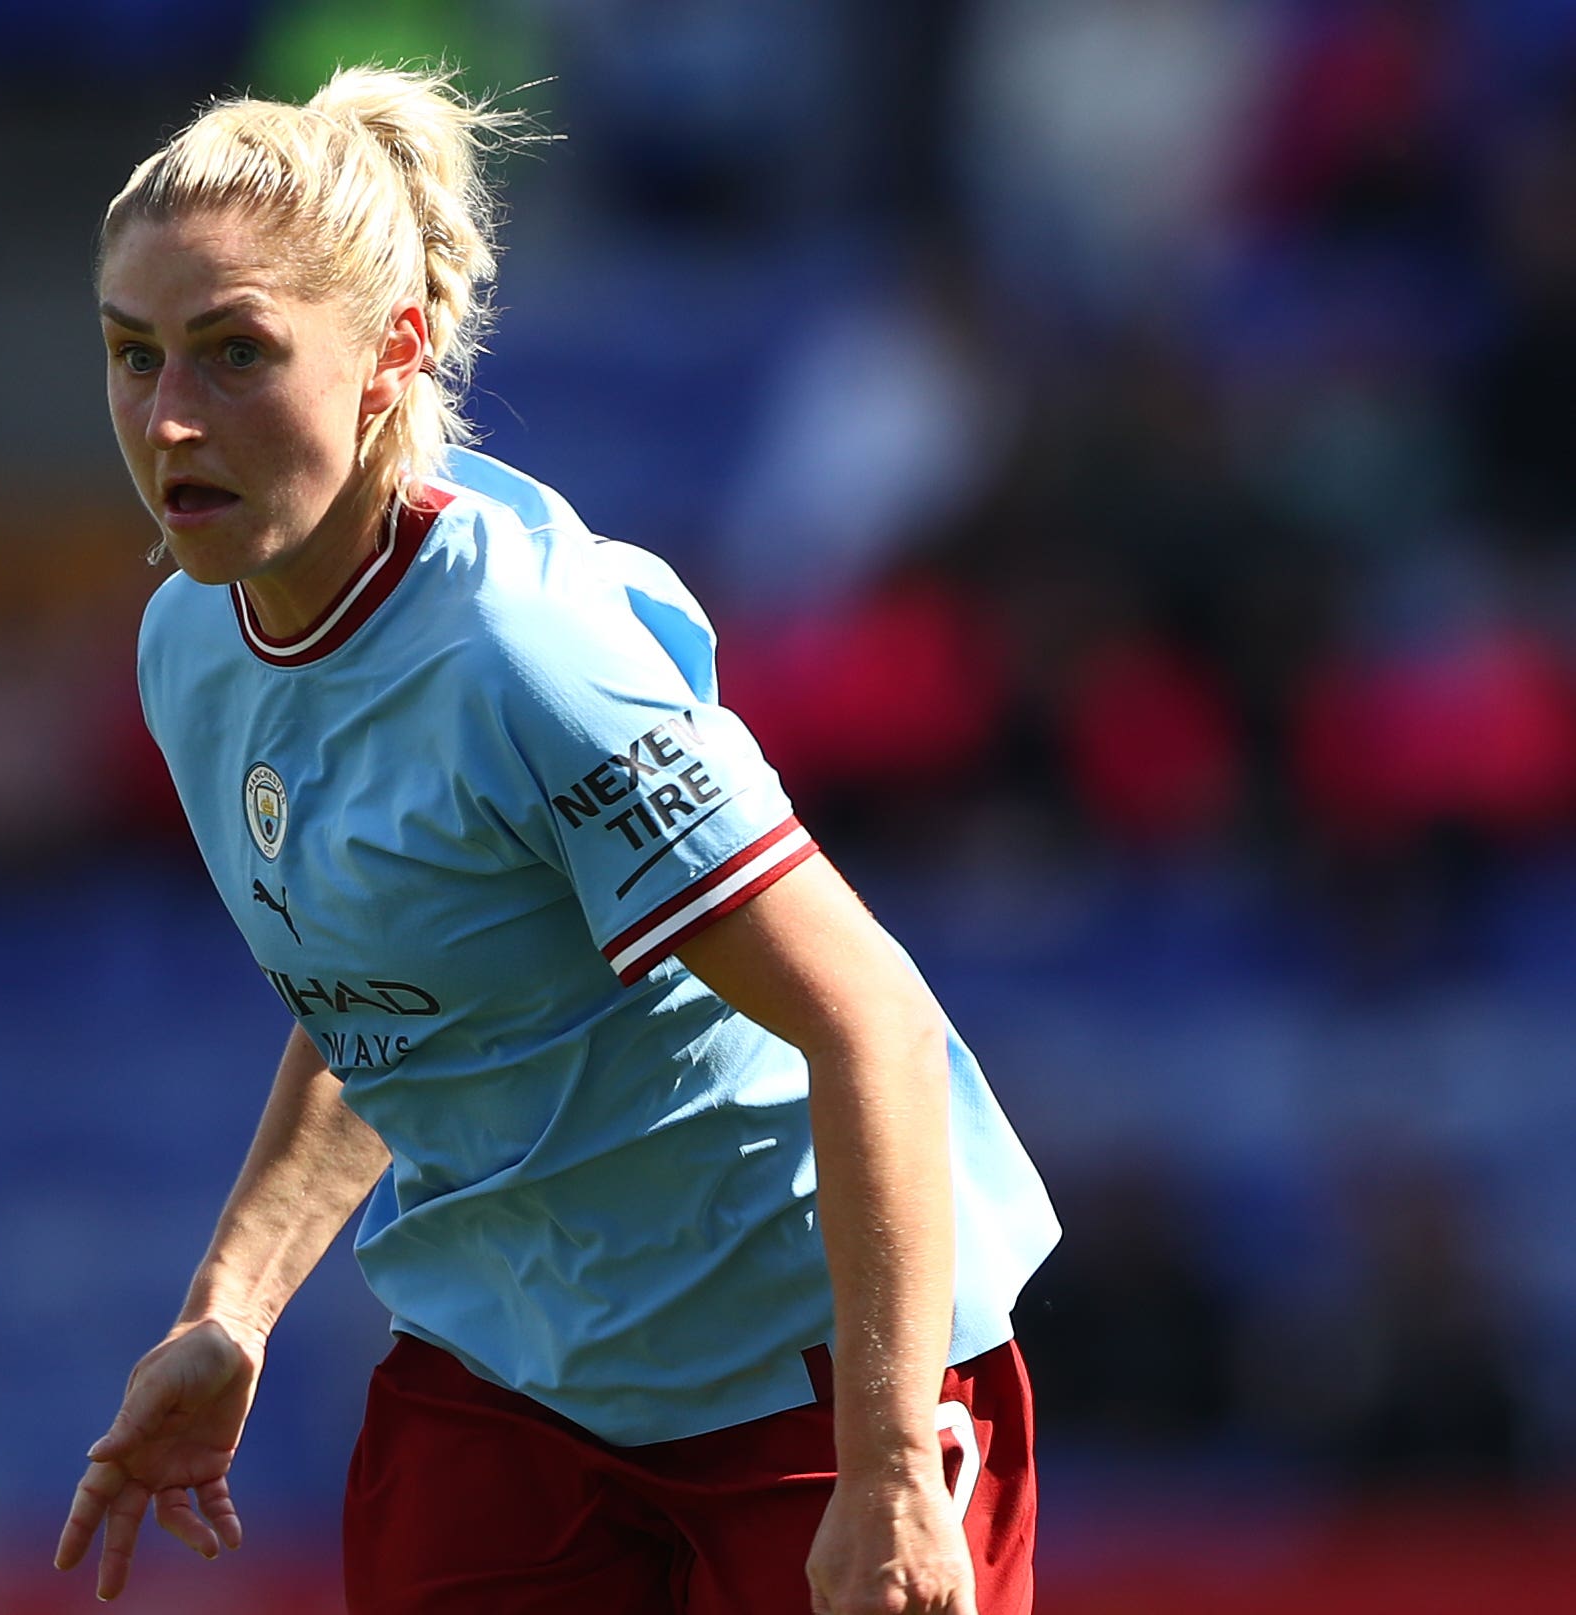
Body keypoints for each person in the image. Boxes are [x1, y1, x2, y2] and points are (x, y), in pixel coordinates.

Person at [53, 65, 1060, 1615]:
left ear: (390, 355)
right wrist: (232, 1306)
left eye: (235, 353)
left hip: (802, 1362)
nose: (168, 416)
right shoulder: (189, 647)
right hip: (512, 1382)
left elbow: (872, 1019)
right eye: (133, 357)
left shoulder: (523, 654)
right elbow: (394, 994)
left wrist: (880, 1476)